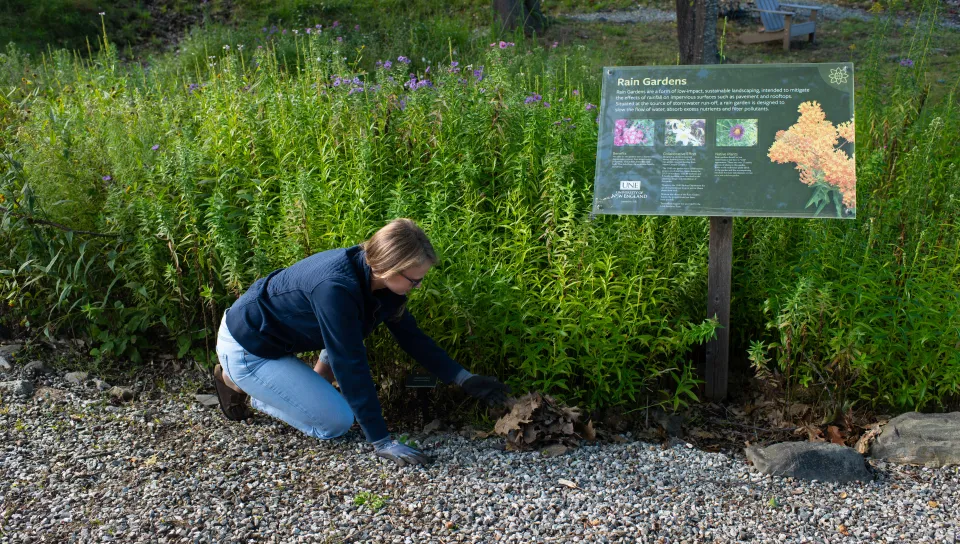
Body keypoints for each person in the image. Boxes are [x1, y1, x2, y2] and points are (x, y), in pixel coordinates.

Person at [212, 218, 510, 466]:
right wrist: (381, 440)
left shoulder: (380, 282)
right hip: (248, 347)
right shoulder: (336, 288)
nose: (418, 287)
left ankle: (293, 392)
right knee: (336, 423)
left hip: (279, 339)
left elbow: (412, 337)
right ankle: (236, 382)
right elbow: (349, 363)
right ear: (389, 267)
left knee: (344, 346)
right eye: (415, 280)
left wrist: (464, 378)